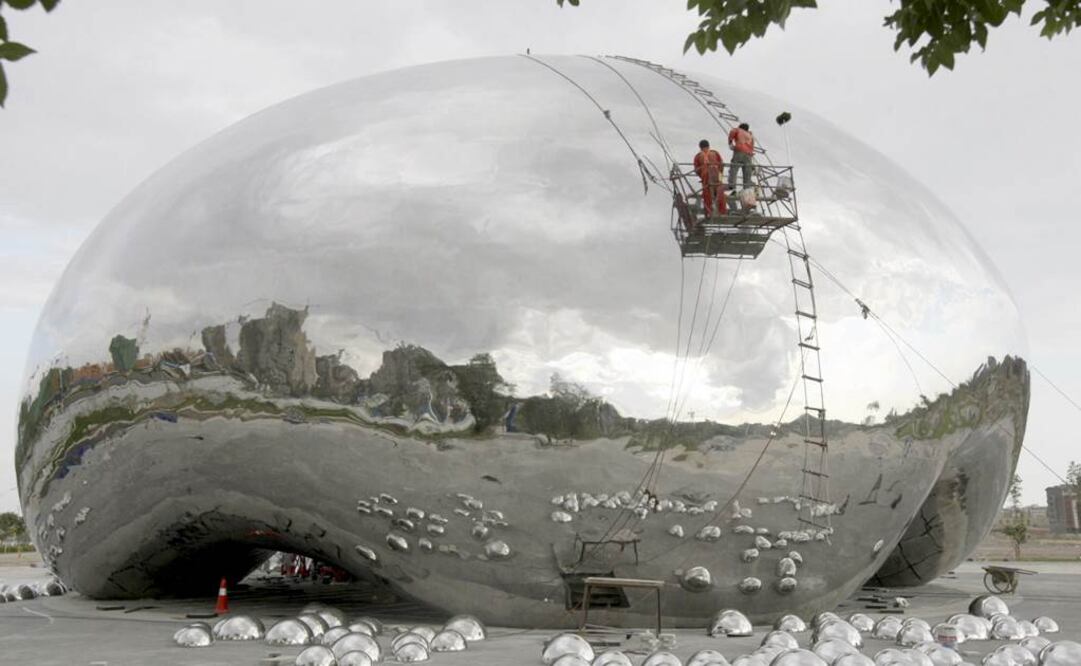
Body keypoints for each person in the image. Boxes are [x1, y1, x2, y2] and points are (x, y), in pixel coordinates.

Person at [692, 139, 725, 217]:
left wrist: (702, 177)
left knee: (707, 194)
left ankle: (709, 212)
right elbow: (721, 165)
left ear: (700, 147)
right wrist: (720, 176)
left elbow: (696, 170)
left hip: (706, 174)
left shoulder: (698, 156)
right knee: (720, 193)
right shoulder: (715, 153)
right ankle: (722, 212)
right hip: (716, 173)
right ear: (708, 146)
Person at [727, 122, 755, 191]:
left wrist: (730, 143)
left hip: (739, 152)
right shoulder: (750, 135)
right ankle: (746, 187)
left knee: (734, 168)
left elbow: (732, 132)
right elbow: (752, 145)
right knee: (747, 172)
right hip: (748, 155)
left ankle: (732, 186)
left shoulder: (738, 130)